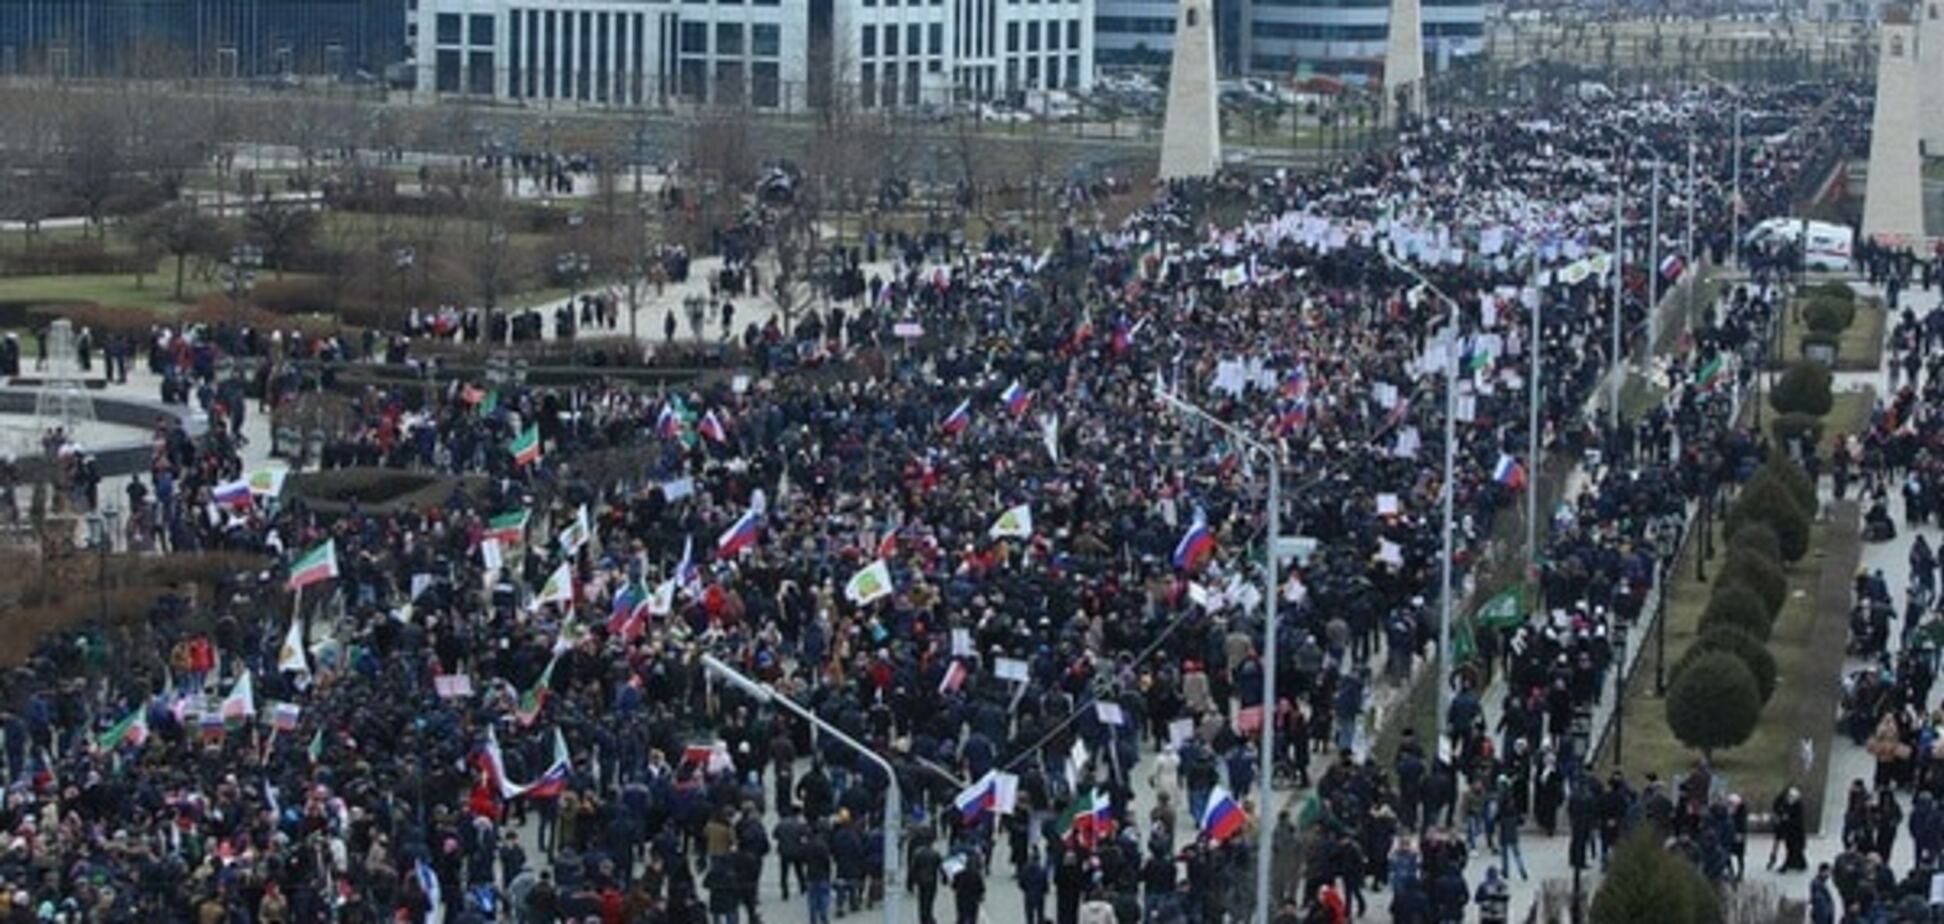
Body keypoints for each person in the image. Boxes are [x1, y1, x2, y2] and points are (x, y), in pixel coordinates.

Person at [951, 851, 986, 924]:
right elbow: (981, 888)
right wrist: (980, 896)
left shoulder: (959, 874)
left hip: (961, 898)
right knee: (972, 917)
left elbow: (954, 886)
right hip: (973, 899)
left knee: (961, 916)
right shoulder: (977, 875)